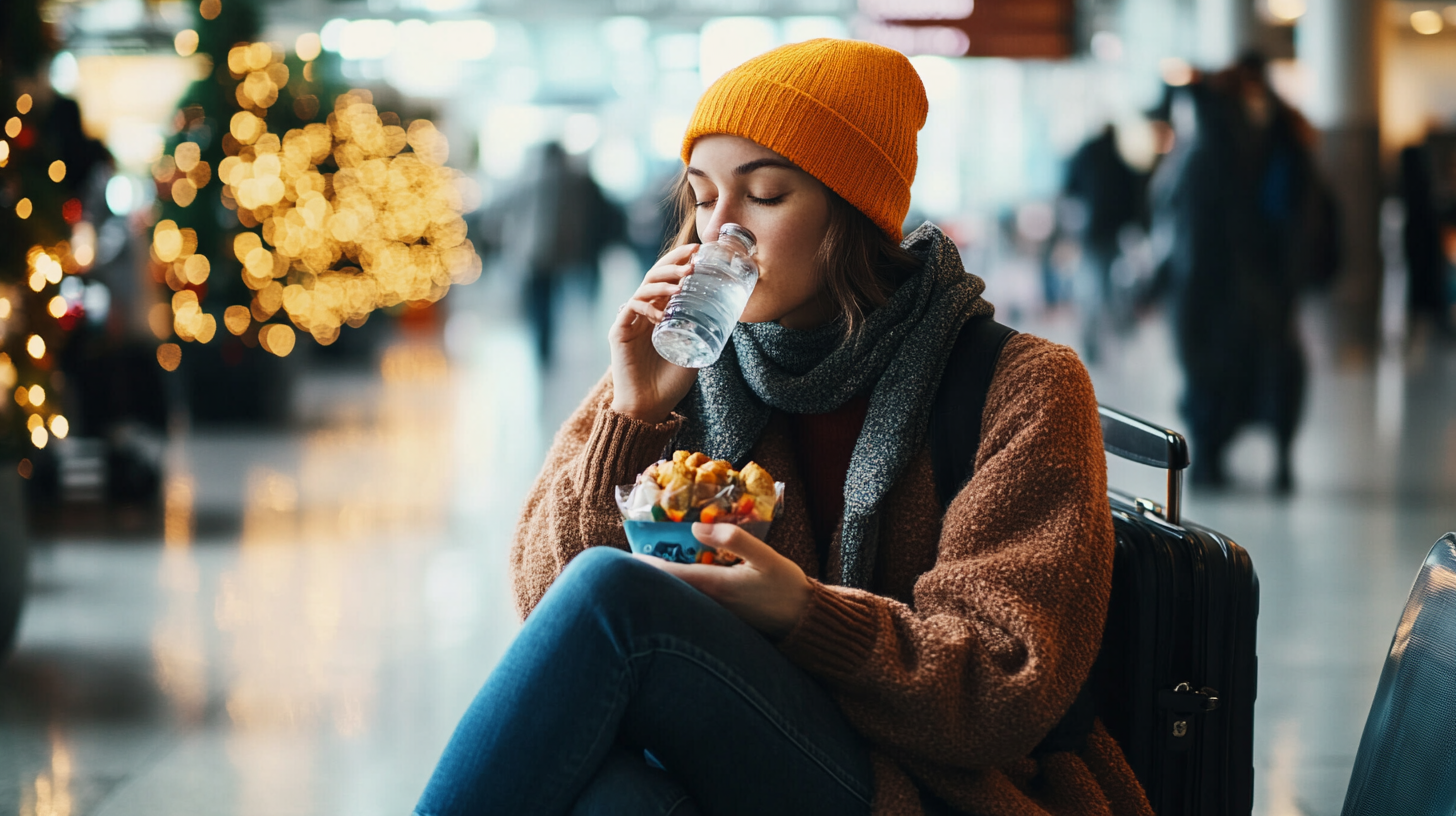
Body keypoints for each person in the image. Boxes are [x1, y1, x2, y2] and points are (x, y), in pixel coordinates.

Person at [414, 40, 1150, 816]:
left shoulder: (1020, 384)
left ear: (853, 213)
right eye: (701, 198)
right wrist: (631, 417)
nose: (717, 234)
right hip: (744, 756)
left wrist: (803, 613)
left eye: (763, 195)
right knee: (613, 799)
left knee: (615, 598)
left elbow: (1004, 686)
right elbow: (546, 609)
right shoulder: (689, 359)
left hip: (936, 788)